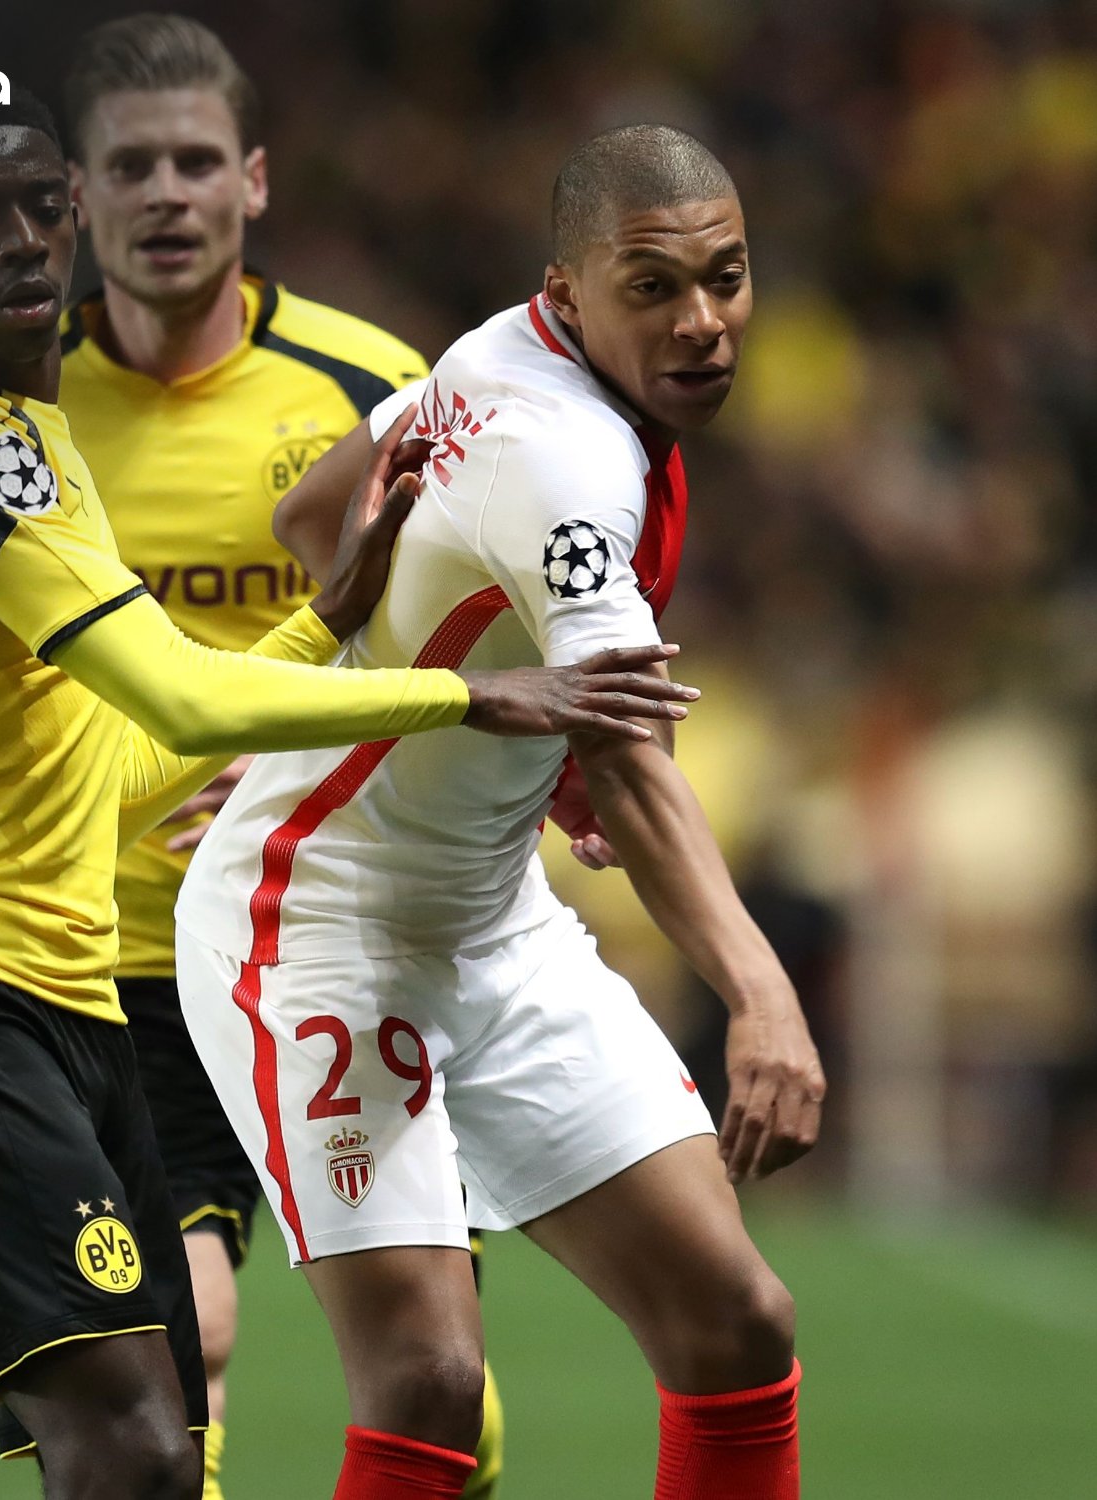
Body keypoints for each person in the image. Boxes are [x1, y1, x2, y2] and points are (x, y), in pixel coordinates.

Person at [0, 87, 700, 1499]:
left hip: (73, 996)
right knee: (131, 1442)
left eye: (41, 208)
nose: (23, 241)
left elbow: (120, 763)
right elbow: (177, 696)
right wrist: (472, 695)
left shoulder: (42, 441)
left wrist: (325, 616)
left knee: (163, 1448)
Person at [173, 124, 826, 1500]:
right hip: (314, 927)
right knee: (429, 1381)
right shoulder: (567, 458)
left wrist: (399, 721)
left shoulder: (490, 355)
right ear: (571, 290)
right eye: (654, 288)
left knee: (736, 1325)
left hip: (490, 923)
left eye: (725, 277)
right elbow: (635, 767)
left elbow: (316, 514)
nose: (703, 322)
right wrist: (761, 995)